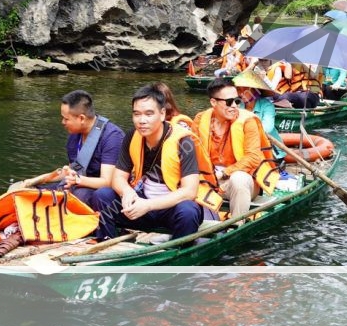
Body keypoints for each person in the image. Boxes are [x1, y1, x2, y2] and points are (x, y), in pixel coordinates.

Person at [92, 85, 223, 241]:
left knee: (188, 211)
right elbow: (118, 178)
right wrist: (127, 192)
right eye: (137, 114)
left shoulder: (183, 142)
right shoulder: (132, 137)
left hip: (172, 209)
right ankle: (108, 241)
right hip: (142, 202)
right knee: (102, 195)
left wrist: (148, 205)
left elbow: (189, 192)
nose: (142, 120)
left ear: (162, 114)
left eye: (149, 114)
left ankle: (178, 251)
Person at [193, 78, 279, 218]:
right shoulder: (200, 119)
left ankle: (236, 225)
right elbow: (193, 154)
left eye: (237, 101)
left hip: (242, 180)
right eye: (228, 102)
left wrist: (225, 173)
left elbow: (253, 158)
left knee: (238, 179)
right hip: (208, 180)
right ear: (213, 102)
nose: (234, 106)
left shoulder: (248, 121)